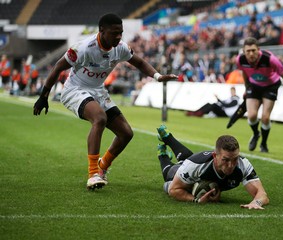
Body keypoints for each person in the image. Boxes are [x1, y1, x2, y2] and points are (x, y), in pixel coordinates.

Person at [33, 13, 177, 190]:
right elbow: (58, 67)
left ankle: (102, 167)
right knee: (99, 118)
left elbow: (139, 62)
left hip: (98, 91)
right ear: (102, 31)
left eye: (121, 33)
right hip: (75, 90)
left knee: (126, 133)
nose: (118, 37)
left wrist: (157, 75)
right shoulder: (84, 48)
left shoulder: (121, 48)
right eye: (114, 32)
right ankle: (93, 173)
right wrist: (43, 95)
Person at [156, 125, 269, 209]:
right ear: (215, 155)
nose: (231, 165)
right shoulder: (195, 164)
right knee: (169, 179)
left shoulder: (243, 164)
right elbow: (173, 190)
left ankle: (167, 137)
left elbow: (262, 194)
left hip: (193, 164)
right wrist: (196, 200)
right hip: (192, 166)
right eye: (225, 160)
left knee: (186, 159)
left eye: (235, 159)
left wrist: (256, 202)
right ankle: (163, 155)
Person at [236, 37, 283, 153]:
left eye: (253, 50)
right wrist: (246, 88)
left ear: (258, 49)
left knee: (265, 117)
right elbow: (244, 72)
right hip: (254, 86)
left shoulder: (270, 59)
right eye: (248, 51)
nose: (251, 53)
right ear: (244, 52)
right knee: (252, 115)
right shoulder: (240, 60)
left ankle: (263, 144)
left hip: (271, 86)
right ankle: (256, 134)